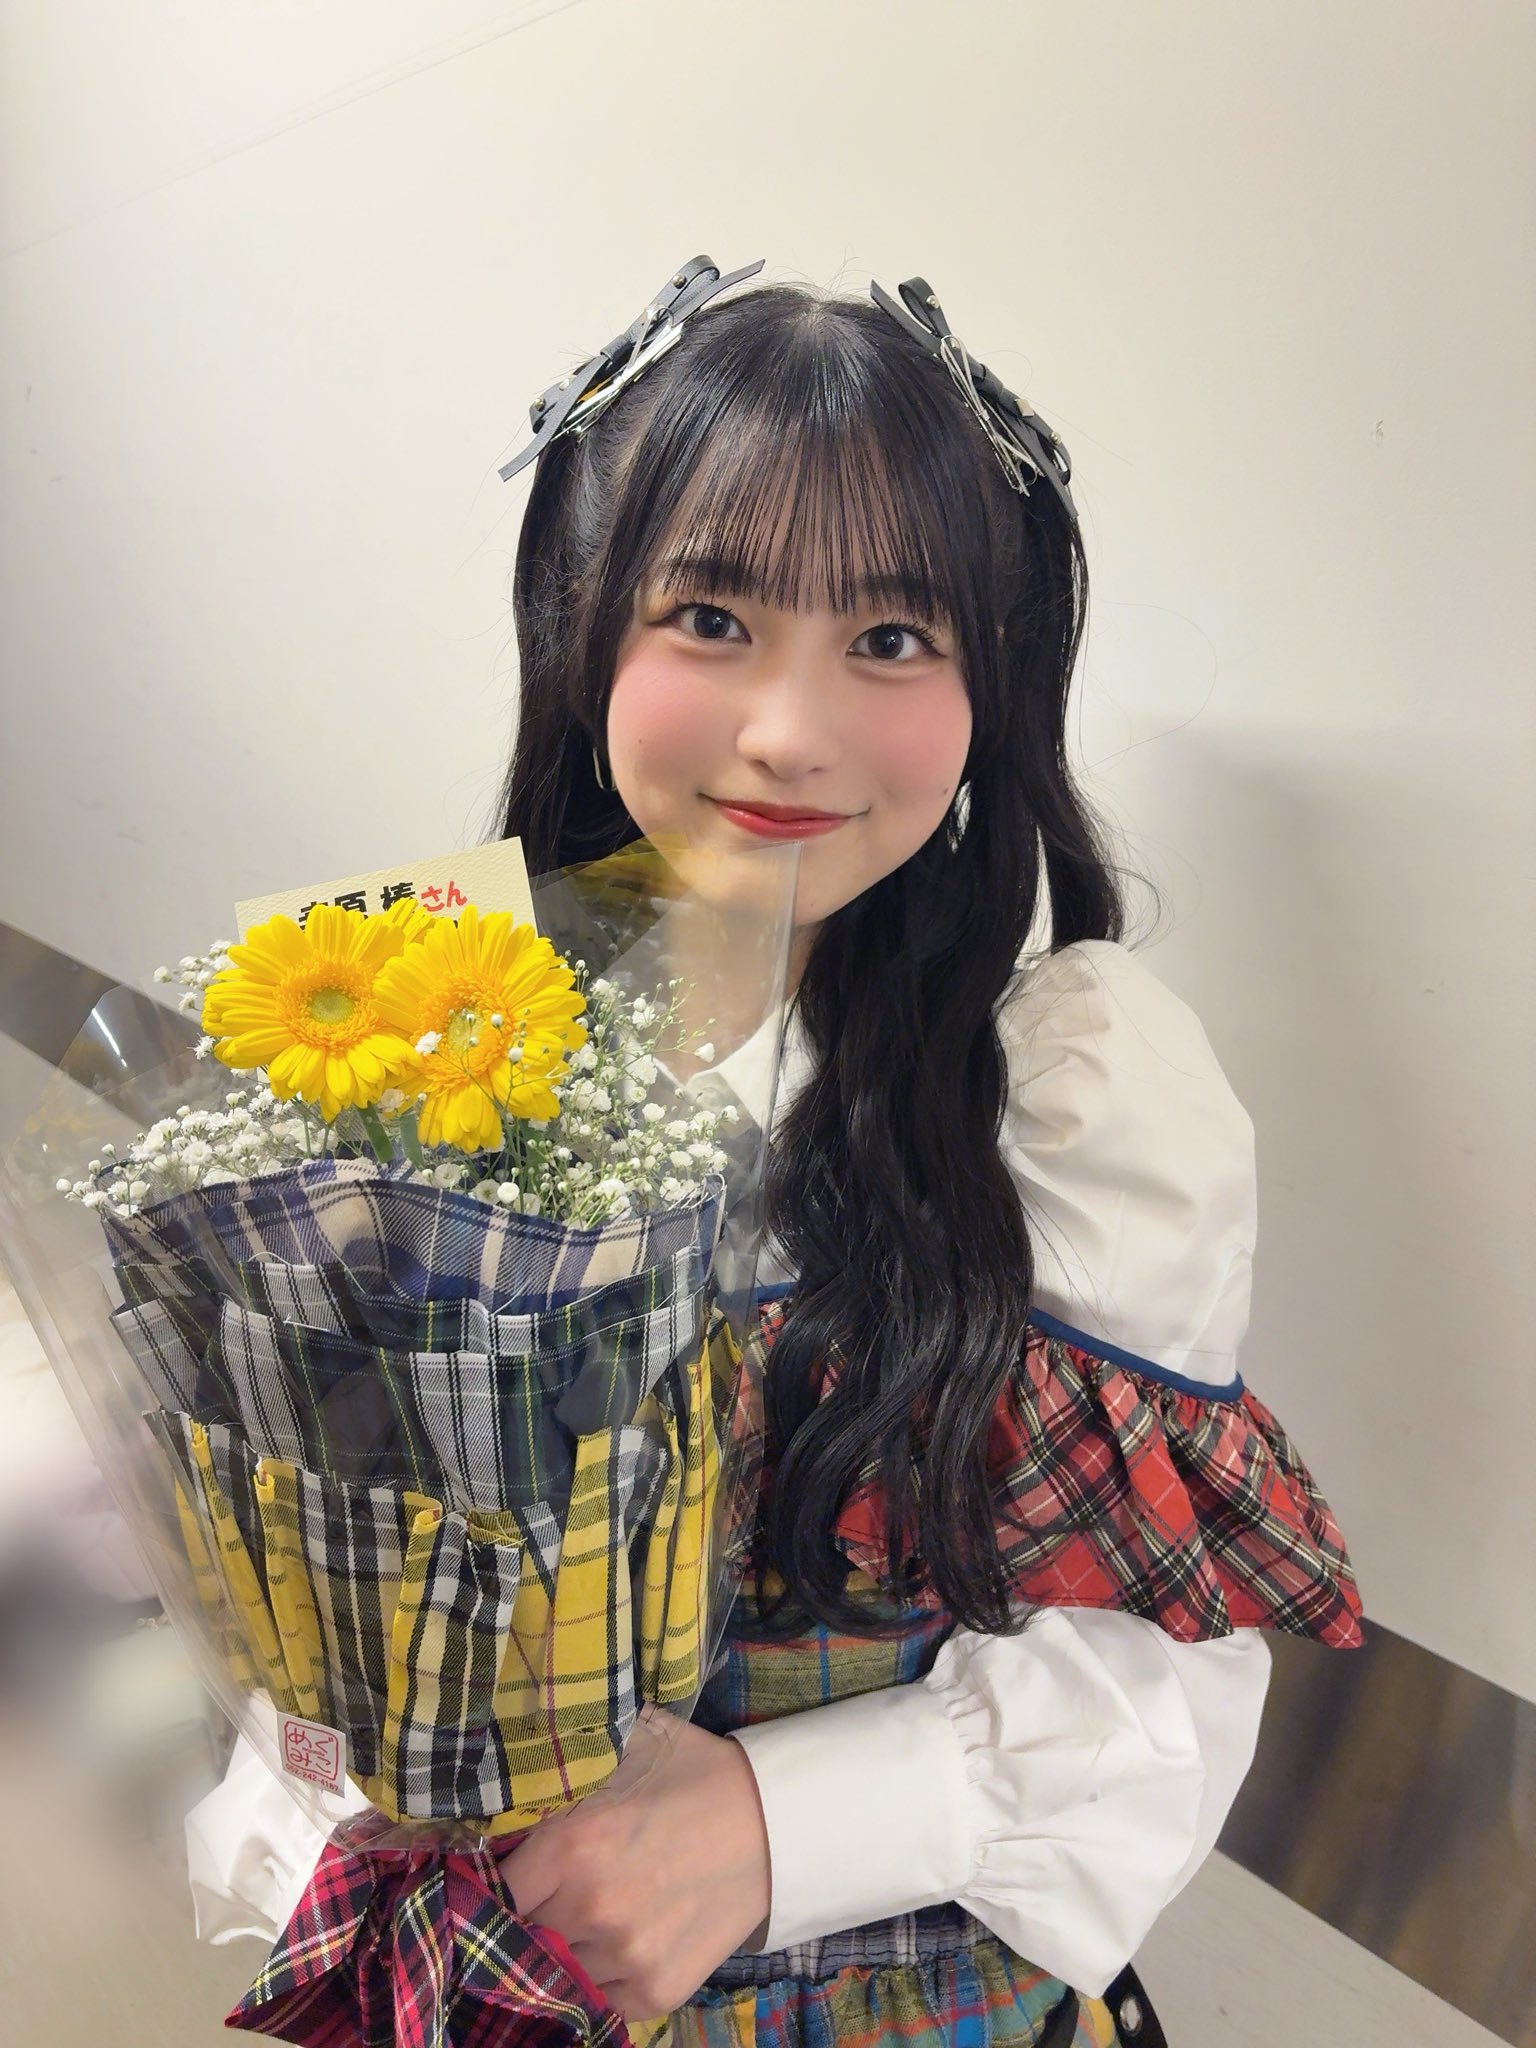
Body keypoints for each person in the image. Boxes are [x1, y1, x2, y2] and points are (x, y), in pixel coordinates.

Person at [184, 258, 1364, 2047]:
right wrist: (337, 1794)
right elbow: (295, 1559)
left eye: (891, 639)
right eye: (713, 616)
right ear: (583, 630)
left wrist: (767, 1824)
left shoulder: (1070, 1098)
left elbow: (1165, 1677)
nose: (791, 732)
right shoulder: (402, 1011)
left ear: (994, 685)